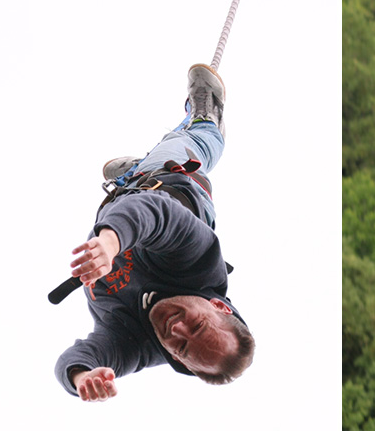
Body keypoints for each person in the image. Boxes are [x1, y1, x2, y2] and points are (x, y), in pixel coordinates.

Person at [55, 64, 254, 402]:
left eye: (182, 346)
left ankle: (132, 172)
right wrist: (109, 243)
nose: (176, 330)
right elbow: (156, 214)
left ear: (176, 358)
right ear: (218, 306)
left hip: (123, 198)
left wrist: (82, 377)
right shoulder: (200, 265)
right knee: (187, 143)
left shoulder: (139, 344)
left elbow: (84, 358)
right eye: (197, 326)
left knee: (139, 178)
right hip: (172, 183)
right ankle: (208, 114)